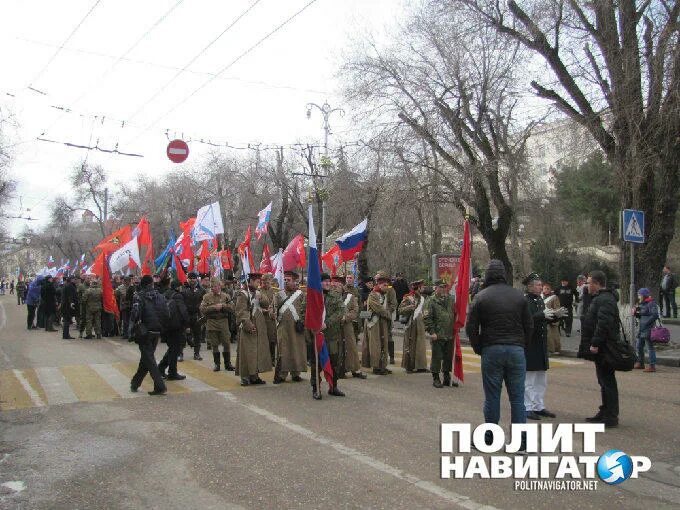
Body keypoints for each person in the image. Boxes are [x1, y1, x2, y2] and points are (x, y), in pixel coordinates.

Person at [466, 260, 533, 447]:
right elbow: (529, 325)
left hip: (492, 349)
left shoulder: (481, 297)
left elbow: (471, 327)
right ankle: (521, 442)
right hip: (516, 349)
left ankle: (490, 438)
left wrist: (479, 347)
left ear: (487, 275)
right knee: (518, 398)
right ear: (504, 274)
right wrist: (522, 345)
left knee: (492, 396)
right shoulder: (519, 296)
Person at [578, 270, 621, 428]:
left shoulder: (605, 299)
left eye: (589, 282)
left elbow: (603, 323)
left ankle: (611, 416)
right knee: (603, 380)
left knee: (607, 381)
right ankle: (605, 411)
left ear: (596, 283)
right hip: (602, 347)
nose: (587, 285)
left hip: (605, 347)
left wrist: (595, 343)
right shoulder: (600, 298)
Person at [524, 274, 562, 420]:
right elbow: (527, 320)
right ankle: (527, 406)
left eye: (541, 285)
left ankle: (538, 406)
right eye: (537, 285)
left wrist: (555, 315)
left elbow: (543, 319)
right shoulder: (526, 301)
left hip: (540, 343)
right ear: (530, 286)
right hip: (531, 343)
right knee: (529, 379)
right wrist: (541, 315)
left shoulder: (540, 300)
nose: (540, 287)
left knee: (541, 378)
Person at [129, 275, 168, 396]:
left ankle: (160, 386)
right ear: (152, 283)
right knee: (147, 358)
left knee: (149, 359)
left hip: (144, 332)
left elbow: (135, 315)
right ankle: (135, 383)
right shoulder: (161, 296)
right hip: (157, 331)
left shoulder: (139, 296)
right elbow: (167, 313)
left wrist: (131, 330)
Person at [235, 272, 273, 386]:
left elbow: (266, 303)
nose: (259, 284)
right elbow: (241, 311)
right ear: (250, 281)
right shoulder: (243, 294)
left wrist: (261, 297)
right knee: (247, 352)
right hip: (249, 325)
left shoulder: (258, 292)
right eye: (257, 281)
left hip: (260, 324)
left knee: (258, 352)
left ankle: (255, 376)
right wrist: (248, 325)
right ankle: (245, 376)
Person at [272, 270, 307, 384]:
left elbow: (305, 309)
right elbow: (273, 307)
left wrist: (302, 321)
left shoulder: (301, 295)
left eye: (289, 280)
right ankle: (282, 374)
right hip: (283, 327)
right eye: (285, 280)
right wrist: (272, 313)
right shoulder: (278, 294)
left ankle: (296, 373)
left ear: (295, 281)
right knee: (283, 350)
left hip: (296, 327)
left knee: (296, 350)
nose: (286, 282)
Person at [424, 279, 456, 388]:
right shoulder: (431, 301)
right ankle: (436, 377)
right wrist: (432, 332)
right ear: (435, 288)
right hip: (437, 334)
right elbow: (427, 318)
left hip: (449, 333)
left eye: (444, 287)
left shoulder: (450, 299)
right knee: (437, 356)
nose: (443, 289)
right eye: (440, 287)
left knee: (448, 356)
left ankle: (447, 376)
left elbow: (455, 312)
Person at [334, 275, 366, 379]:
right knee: (337, 348)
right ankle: (339, 369)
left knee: (351, 347)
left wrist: (346, 317)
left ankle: (355, 369)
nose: (336, 285)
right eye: (334, 283)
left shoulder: (350, 296)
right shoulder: (330, 297)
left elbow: (355, 310)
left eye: (338, 283)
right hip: (335, 326)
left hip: (347, 325)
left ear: (342, 285)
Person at [200, 277, 235, 372]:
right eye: (211, 286)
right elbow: (202, 309)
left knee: (226, 343)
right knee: (214, 344)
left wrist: (223, 306)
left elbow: (232, 308)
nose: (212, 288)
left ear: (219, 286)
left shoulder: (226, 296)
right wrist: (214, 308)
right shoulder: (206, 297)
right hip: (212, 322)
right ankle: (217, 364)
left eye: (214, 286)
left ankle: (228, 364)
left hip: (223, 321)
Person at [320, 273, 346, 397]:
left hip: (332, 335)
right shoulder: (313, 295)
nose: (327, 283)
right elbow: (305, 311)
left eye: (328, 281)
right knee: (317, 363)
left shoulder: (335, 295)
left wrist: (327, 323)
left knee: (334, 363)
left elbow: (341, 311)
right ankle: (316, 388)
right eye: (324, 281)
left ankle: (333, 387)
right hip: (317, 335)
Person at [158, 279, 189, 380]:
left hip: (166, 326)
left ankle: (161, 369)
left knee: (172, 349)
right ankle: (172, 372)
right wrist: (186, 324)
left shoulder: (164, 294)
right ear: (178, 287)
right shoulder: (178, 296)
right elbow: (183, 311)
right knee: (175, 349)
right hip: (176, 327)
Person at [362, 271, 392, 375]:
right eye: (384, 285)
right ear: (379, 284)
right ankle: (376, 366)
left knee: (384, 344)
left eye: (387, 285)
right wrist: (388, 315)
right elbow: (378, 308)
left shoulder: (384, 295)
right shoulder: (373, 294)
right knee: (375, 345)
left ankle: (383, 365)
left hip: (382, 321)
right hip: (374, 323)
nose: (386, 287)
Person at [398, 279, 428, 373]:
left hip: (420, 324)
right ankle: (409, 366)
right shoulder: (408, 297)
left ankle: (421, 366)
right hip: (411, 324)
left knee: (420, 346)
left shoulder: (423, 298)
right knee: (409, 346)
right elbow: (400, 310)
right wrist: (410, 307)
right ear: (418, 288)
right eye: (422, 287)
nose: (423, 288)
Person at [633, 288, 659, 373]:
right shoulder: (641, 304)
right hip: (641, 328)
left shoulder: (651, 303)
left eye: (639, 294)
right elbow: (640, 315)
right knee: (639, 346)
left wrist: (646, 323)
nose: (638, 296)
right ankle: (640, 363)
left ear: (644, 295)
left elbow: (655, 315)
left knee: (649, 347)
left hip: (648, 328)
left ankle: (652, 366)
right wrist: (635, 313)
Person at [181, 272, 205, 361]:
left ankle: (197, 353)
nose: (192, 280)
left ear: (196, 279)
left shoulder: (201, 290)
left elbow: (204, 301)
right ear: (188, 279)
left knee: (197, 335)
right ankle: (180, 353)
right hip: (186, 315)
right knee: (183, 336)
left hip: (196, 315)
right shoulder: (183, 289)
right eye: (190, 278)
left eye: (193, 278)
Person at [259, 273, 278, 365]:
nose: (265, 284)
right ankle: (263, 358)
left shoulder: (274, 292)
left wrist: (275, 312)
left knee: (272, 340)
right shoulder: (258, 292)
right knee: (262, 340)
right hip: (261, 319)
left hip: (271, 320)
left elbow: (277, 304)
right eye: (263, 282)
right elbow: (254, 305)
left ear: (270, 282)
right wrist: (262, 310)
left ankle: (272, 359)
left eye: (267, 282)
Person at [542, 283, 562, 355]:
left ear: (550, 289)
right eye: (545, 288)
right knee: (548, 336)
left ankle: (556, 349)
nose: (546, 290)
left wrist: (554, 313)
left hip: (553, 318)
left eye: (548, 288)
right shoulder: (541, 296)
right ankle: (549, 349)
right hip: (545, 318)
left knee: (555, 336)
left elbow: (557, 307)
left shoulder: (554, 297)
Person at [385, 277, 398, 365]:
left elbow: (393, 304)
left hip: (387, 317)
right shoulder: (375, 289)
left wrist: (387, 313)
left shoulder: (390, 289)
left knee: (389, 337)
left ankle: (392, 357)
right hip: (377, 318)